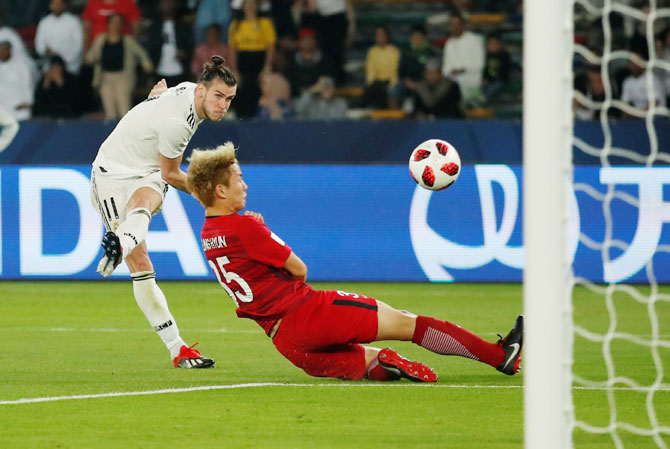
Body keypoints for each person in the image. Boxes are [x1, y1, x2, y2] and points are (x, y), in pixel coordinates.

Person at [185, 143, 524, 382]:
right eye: (238, 179)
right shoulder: (246, 226)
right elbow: (299, 269)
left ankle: (387, 364)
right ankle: (499, 356)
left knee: (369, 361)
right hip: (310, 313)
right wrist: (260, 227)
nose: (245, 184)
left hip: (287, 344)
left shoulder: (207, 233)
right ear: (220, 191)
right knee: (408, 323)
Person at [90, 55, 237, 368]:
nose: (223, 105)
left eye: (228, 99)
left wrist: (153, 99)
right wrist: (212, 199)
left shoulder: (187, 92)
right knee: (141, 263)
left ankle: (118, 246)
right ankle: (176, 347)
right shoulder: (178, 124)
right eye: (218, 96)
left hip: (146, 169)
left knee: (144, 203)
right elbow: (171, 174)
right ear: (201, 91)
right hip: (111, 174)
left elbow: (160, 105)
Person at [86, 13, 154, 120]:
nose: (115, 25)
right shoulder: (101, 39)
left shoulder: (128, 40)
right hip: (105, 78)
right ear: (108, 24)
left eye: (118, 23)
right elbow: (91, 55)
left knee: (124, 110)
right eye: (113, 22)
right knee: (110, 113)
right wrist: (93, 59)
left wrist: (146, 64)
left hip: (123, 77)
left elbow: (141, 53)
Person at [228, 0, 276, 118]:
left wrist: (267, 66)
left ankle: (256, 117)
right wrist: (234, 69)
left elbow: (270, 47)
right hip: (243, 60)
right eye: (247, 4)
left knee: (259, 88)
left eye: (252, 4)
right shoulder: (236, 24)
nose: (250, 7)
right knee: (240, 88)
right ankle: (240, 117)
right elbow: (232, 49)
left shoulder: (265, 23)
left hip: (259, 59)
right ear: (243, 7)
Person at [145, 0, 194, 87]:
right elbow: (149, 50)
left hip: (180, 72)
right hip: (159, 72)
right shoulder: (154, 28)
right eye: (164, 2)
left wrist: (184, 53)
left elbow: (191, 47)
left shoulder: (183, 26)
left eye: (170, 2)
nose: (167, 5)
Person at [441, 14, 485, 106]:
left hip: (470, 78)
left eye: (456, 24)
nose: (454, 27)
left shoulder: (474, 40)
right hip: (452, 79)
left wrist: (462, 70)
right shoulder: (449, 43)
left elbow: (479, 64)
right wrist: (450, 72)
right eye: (452, 25)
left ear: (463, 25)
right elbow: (445, 68)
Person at [34, 0, 83, 75]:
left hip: (70, 66)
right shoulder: (44, 22)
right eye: (54, 3)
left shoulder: (73, 21)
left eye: (59, 3)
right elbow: (39, 45)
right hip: (49, 65)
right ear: (50, 5)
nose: (57, 6)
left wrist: (63, 60)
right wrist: (45, 50)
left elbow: (78, 45)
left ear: (64, 5)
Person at [363, 25, 400, 109]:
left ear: (387, 36)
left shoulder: (394, 51)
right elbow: (370, 70)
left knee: (391, 90)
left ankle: (393, 116)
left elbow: (395, 70)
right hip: (377, 82)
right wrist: (370, 82)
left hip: (390, 81)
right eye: (377, 35)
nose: (379, 37)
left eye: (382, 35)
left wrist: (392, 83)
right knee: (370, 89)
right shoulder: (372, 51)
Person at [0, 41, 34, 121]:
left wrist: (28, 102)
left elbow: (28, 85)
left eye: (5, 50)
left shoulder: (22, 66)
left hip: (19, 108)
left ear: (10, 50)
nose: (2, 53)